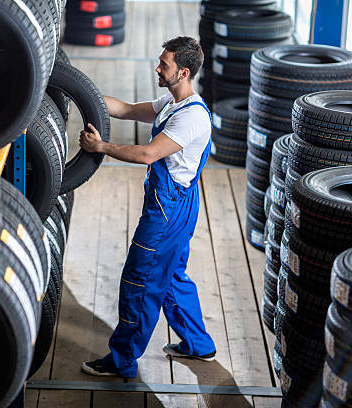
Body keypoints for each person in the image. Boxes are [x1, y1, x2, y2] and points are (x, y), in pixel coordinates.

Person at [79, 36, 216, 379]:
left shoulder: (192, 118)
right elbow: (124, 109)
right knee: (170, 277)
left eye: (164, 64)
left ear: (183, 72)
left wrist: (101, 147)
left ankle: (122, 360)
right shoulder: (172, 102)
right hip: (177, 204)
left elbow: (147, 154)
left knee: (140, 281)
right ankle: (199, 345)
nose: (158, 67)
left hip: (168, 210)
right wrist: (79, 93)